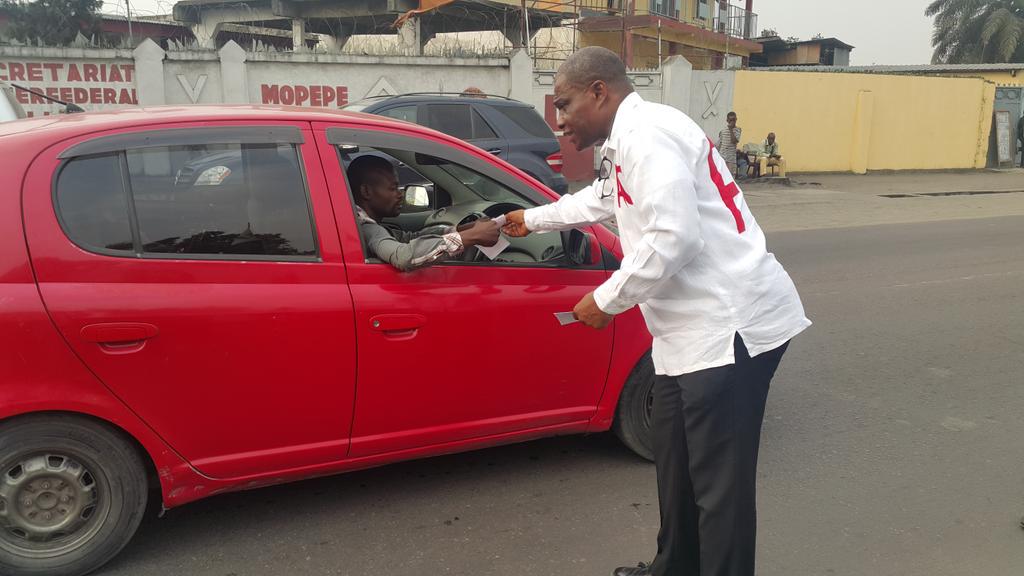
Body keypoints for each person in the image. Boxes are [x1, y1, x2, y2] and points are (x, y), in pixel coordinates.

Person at [502, 46, 811, 576]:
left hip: (728, 329)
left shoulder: (649, 135)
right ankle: (674, 568)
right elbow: (603, 199)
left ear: (600, 91)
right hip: (684, 337)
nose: (560, 119)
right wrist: (529, 220)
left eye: (566, 103)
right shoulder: (628, 140)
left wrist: (605, 300)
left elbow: (674, 238)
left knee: (719, 488)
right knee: (676, 464)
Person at [349, 155, 499, 271]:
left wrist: (460, 230)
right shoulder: (366, 229)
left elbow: (407, 238)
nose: (400, 194)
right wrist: (471, 236)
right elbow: (402, 256)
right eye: (393, 188)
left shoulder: (367, 224)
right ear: (366, 191)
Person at [717, 111, 742, 177]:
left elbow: (734, 141)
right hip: (722, 158)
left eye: (734, 120)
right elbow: (720, 143)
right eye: (730, 120)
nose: (732, 122)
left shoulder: (738, 130)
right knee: (721, 177)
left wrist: (731, 130)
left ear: (736, 119)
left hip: (731, 159)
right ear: (727, 120)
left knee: (730, 179)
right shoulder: (723, 130)